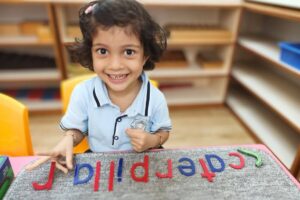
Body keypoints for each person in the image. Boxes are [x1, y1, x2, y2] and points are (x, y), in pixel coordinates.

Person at [26, 0, 171, 173]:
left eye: (129, 52)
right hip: (99, 163)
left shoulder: (155, 97)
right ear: (90, 52)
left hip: (142, 165)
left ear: (145, 55)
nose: (115, 65)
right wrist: (69, 139)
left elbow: (163, 130)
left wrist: (153, 141)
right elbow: (77, 129)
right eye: (103, 51)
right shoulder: (83, 93)